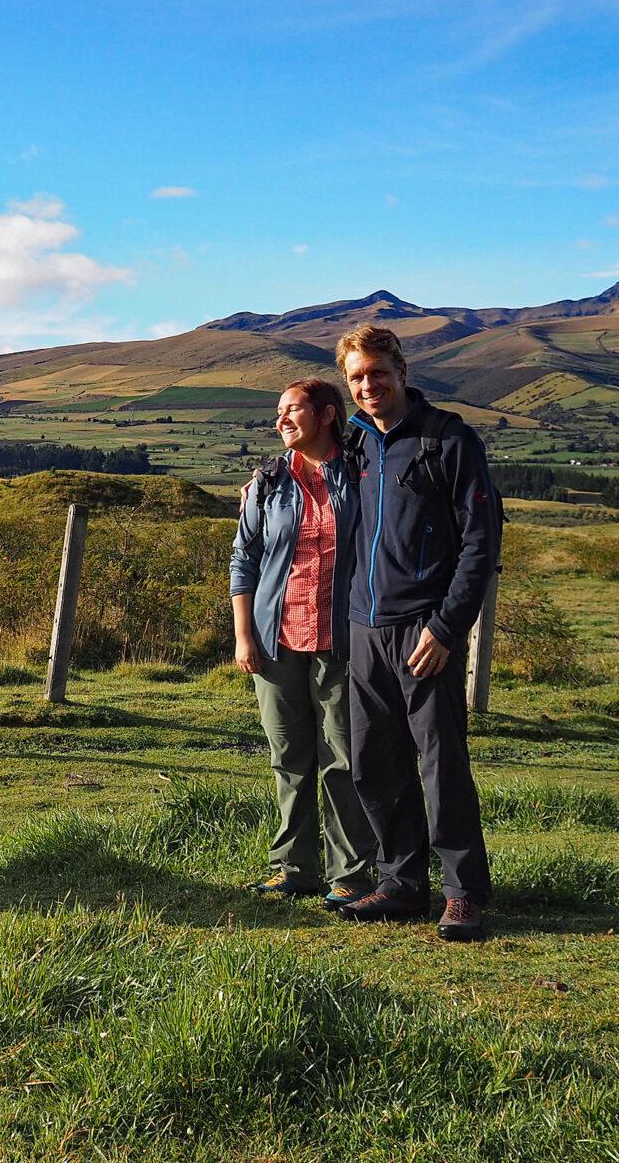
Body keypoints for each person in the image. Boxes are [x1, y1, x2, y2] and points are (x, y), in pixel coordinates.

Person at [334, 324, 498, 941]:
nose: (369, 385)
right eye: (357, 377)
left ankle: (462, 893)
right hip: (362, 627)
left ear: (402, 369)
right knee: (374, 764)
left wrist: (449, 626)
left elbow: (480, 545)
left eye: (377, 372)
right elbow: (304, 462)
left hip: (426, 631)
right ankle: (401, 884)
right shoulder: (355, 443)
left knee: (440, 763)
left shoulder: (448, 441)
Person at [230, 379, 376, 910]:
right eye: (278, 411)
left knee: (343, 758)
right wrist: (244, 634)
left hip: (343, 641)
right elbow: (244, 559)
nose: (282, 420)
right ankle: (293, 868)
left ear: (329, 415)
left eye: (293, 410)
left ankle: (353, 876)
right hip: (276, 642)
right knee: (288, 757)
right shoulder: (269, 482)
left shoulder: (362, 474)